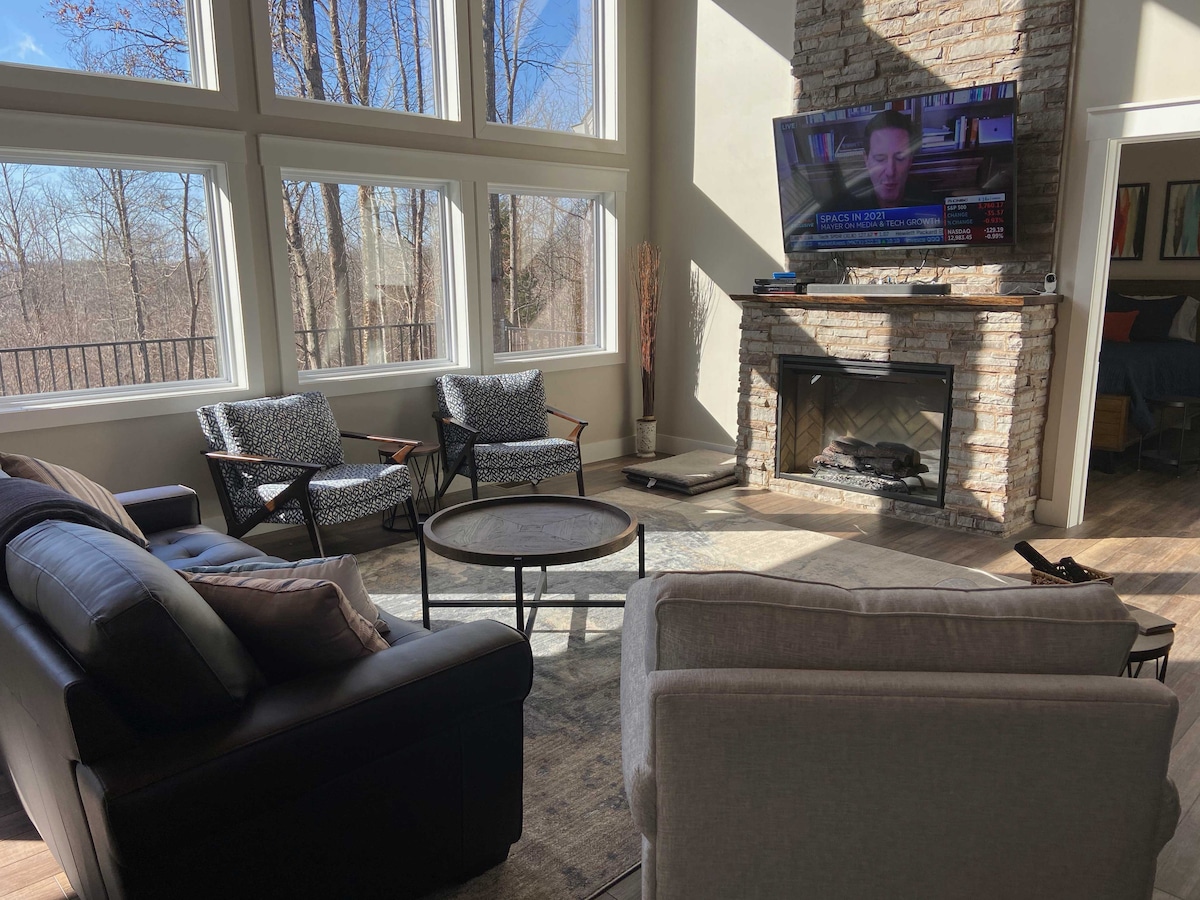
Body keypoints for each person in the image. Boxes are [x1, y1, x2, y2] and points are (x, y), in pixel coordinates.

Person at [829, 110, 937, 211]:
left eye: (900, 158)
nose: (890, 172)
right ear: (866, 160)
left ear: (910, 160)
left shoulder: (929, 205)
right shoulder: (843, 208)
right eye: (880, 159)